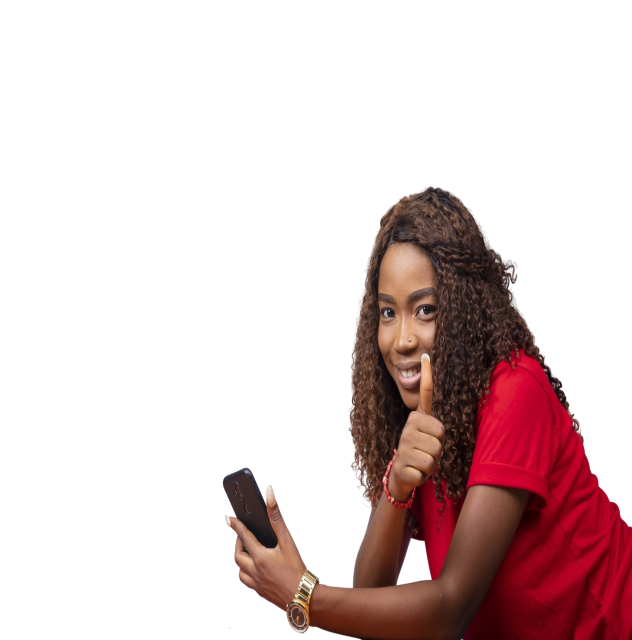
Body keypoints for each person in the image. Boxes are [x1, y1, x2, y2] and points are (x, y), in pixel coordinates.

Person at [225, 186, 632, 639]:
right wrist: (396, 486)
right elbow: (371, 596)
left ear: (463, 309)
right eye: (387, 312)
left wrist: (303, 594)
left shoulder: (517, 391)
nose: (401, 339)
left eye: (424, 310)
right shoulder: (426, 412)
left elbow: (452, 608)